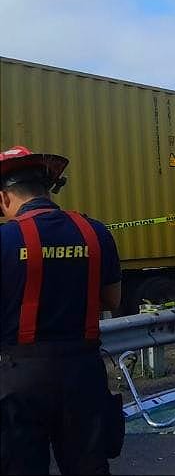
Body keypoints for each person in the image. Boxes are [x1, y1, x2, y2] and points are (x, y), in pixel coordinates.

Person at [0, 146, 124, 475]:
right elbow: (112, 300)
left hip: (21, 378)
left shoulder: (4, 239)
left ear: (4, 198)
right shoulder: (95, 232)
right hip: (83, 372)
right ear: (47, 189)